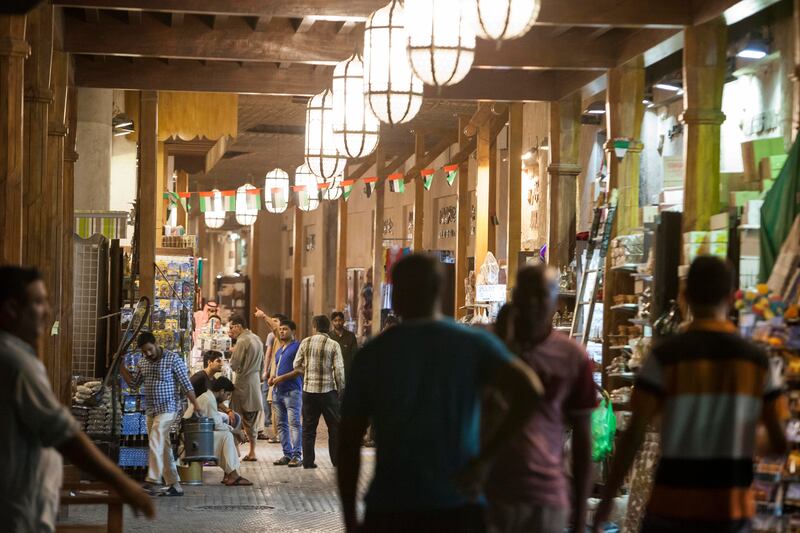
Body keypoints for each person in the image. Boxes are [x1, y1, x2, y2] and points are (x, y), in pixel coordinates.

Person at [338, 254, 543, 533]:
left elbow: (348, 442)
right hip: (458, 505)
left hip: (391, 508)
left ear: (395, 296)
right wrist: (485, 460)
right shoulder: (472, 344)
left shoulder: (373, 354)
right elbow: (530, 391)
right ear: (440, 290)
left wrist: (350, 518)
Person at [593, 257, 788, 533]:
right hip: (731, 511)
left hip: (670, 508)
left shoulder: (663, 358)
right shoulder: (756, 361)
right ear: (731, 298)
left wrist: (605, 502)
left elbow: (633, 436)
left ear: (684, 297)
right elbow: (779, 441)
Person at [0, 266, 154, 531]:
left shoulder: (16, 357)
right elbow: (65, 435)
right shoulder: (16, 363)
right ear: (12, 309)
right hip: (17, 511)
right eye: (38, 302)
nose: (47, 311)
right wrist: (124, 484)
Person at [486, 266, 596, 533]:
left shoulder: (571, 356)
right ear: (514, 297)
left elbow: (583, 442)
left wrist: (581, 519)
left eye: (542, 295)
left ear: (556, 301)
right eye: (525, 295)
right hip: (489, 494)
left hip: (545, 498)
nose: (533, 304)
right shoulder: (485, 346)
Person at [120, 330, 201, 497]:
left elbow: (186, 385)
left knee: (156, 439)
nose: (148, 353)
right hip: (151, 410)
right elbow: (134, 384)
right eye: (144, 351)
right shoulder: (143, 363)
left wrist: (196, 405)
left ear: (156, 343)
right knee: (162, 446)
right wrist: (120, 366)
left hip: (169, 409)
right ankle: (174, 484)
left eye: (150, 349)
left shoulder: (173, 359)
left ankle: (153, 480)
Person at [293, 314, 345, 469]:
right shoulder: (333, 344)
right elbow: (340, 371)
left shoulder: (305, 342)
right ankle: (336, 461)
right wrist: (341, 388)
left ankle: (308, 462)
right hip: (328, 392)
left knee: (309, 428)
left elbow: (296, 364)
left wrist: (308, 371)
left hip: (309, 392)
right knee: (334, 427)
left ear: (314, 327)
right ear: (328, 327)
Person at [184, 377, 252, 486]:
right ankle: (232, 474)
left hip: (195, 435)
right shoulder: (208, 400)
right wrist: (236, 431)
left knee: (226, 435)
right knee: (226, 436)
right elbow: (218, 425)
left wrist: (234, 431)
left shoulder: (209, 398)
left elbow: (216, 423)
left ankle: (230, 474)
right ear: (222, 391)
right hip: (192, 440)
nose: (227, 398)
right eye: (227, 394)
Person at [228, 314, 264, 462]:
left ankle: (235, 451)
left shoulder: (242, 341)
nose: (231, 331)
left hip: (243, 383)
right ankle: (252, 451)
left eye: (231, 327)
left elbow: (234, 364)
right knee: (251, 420)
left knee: (235, 418)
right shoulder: (257, 338)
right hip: (255, 382)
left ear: (238, 326)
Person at [268, 320, 303, 467]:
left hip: (292, 391)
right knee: (281, 425)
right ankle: (287, 454)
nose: (282, 331)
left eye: (285, 329)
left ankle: (297, 455)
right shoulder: (279, 350)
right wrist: (272, 377)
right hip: (278, 392)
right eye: (280, 329)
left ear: (293, 331)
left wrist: (281, 378)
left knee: (294, 423)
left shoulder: (297, 347)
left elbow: (301, 370)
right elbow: (277, 370)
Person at [255, 308, 288, 443]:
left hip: (282, 379)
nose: (280, 330)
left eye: (283, 328)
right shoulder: (273, 337)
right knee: (275, 406)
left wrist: (264, 316)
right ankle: (277, 434)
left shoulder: (285, 339)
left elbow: (275, 327)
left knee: (282, 407)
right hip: (274, 377)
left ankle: (281, 434)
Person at [330, 310, 358, 378]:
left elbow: (354, 354)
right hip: (332, 373)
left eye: (340, 320)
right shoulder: (329, 336)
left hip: (347, 372)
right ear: (332, 322)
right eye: (335, 320)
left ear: (343, 321)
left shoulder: (351, 336)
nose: (338, 322)